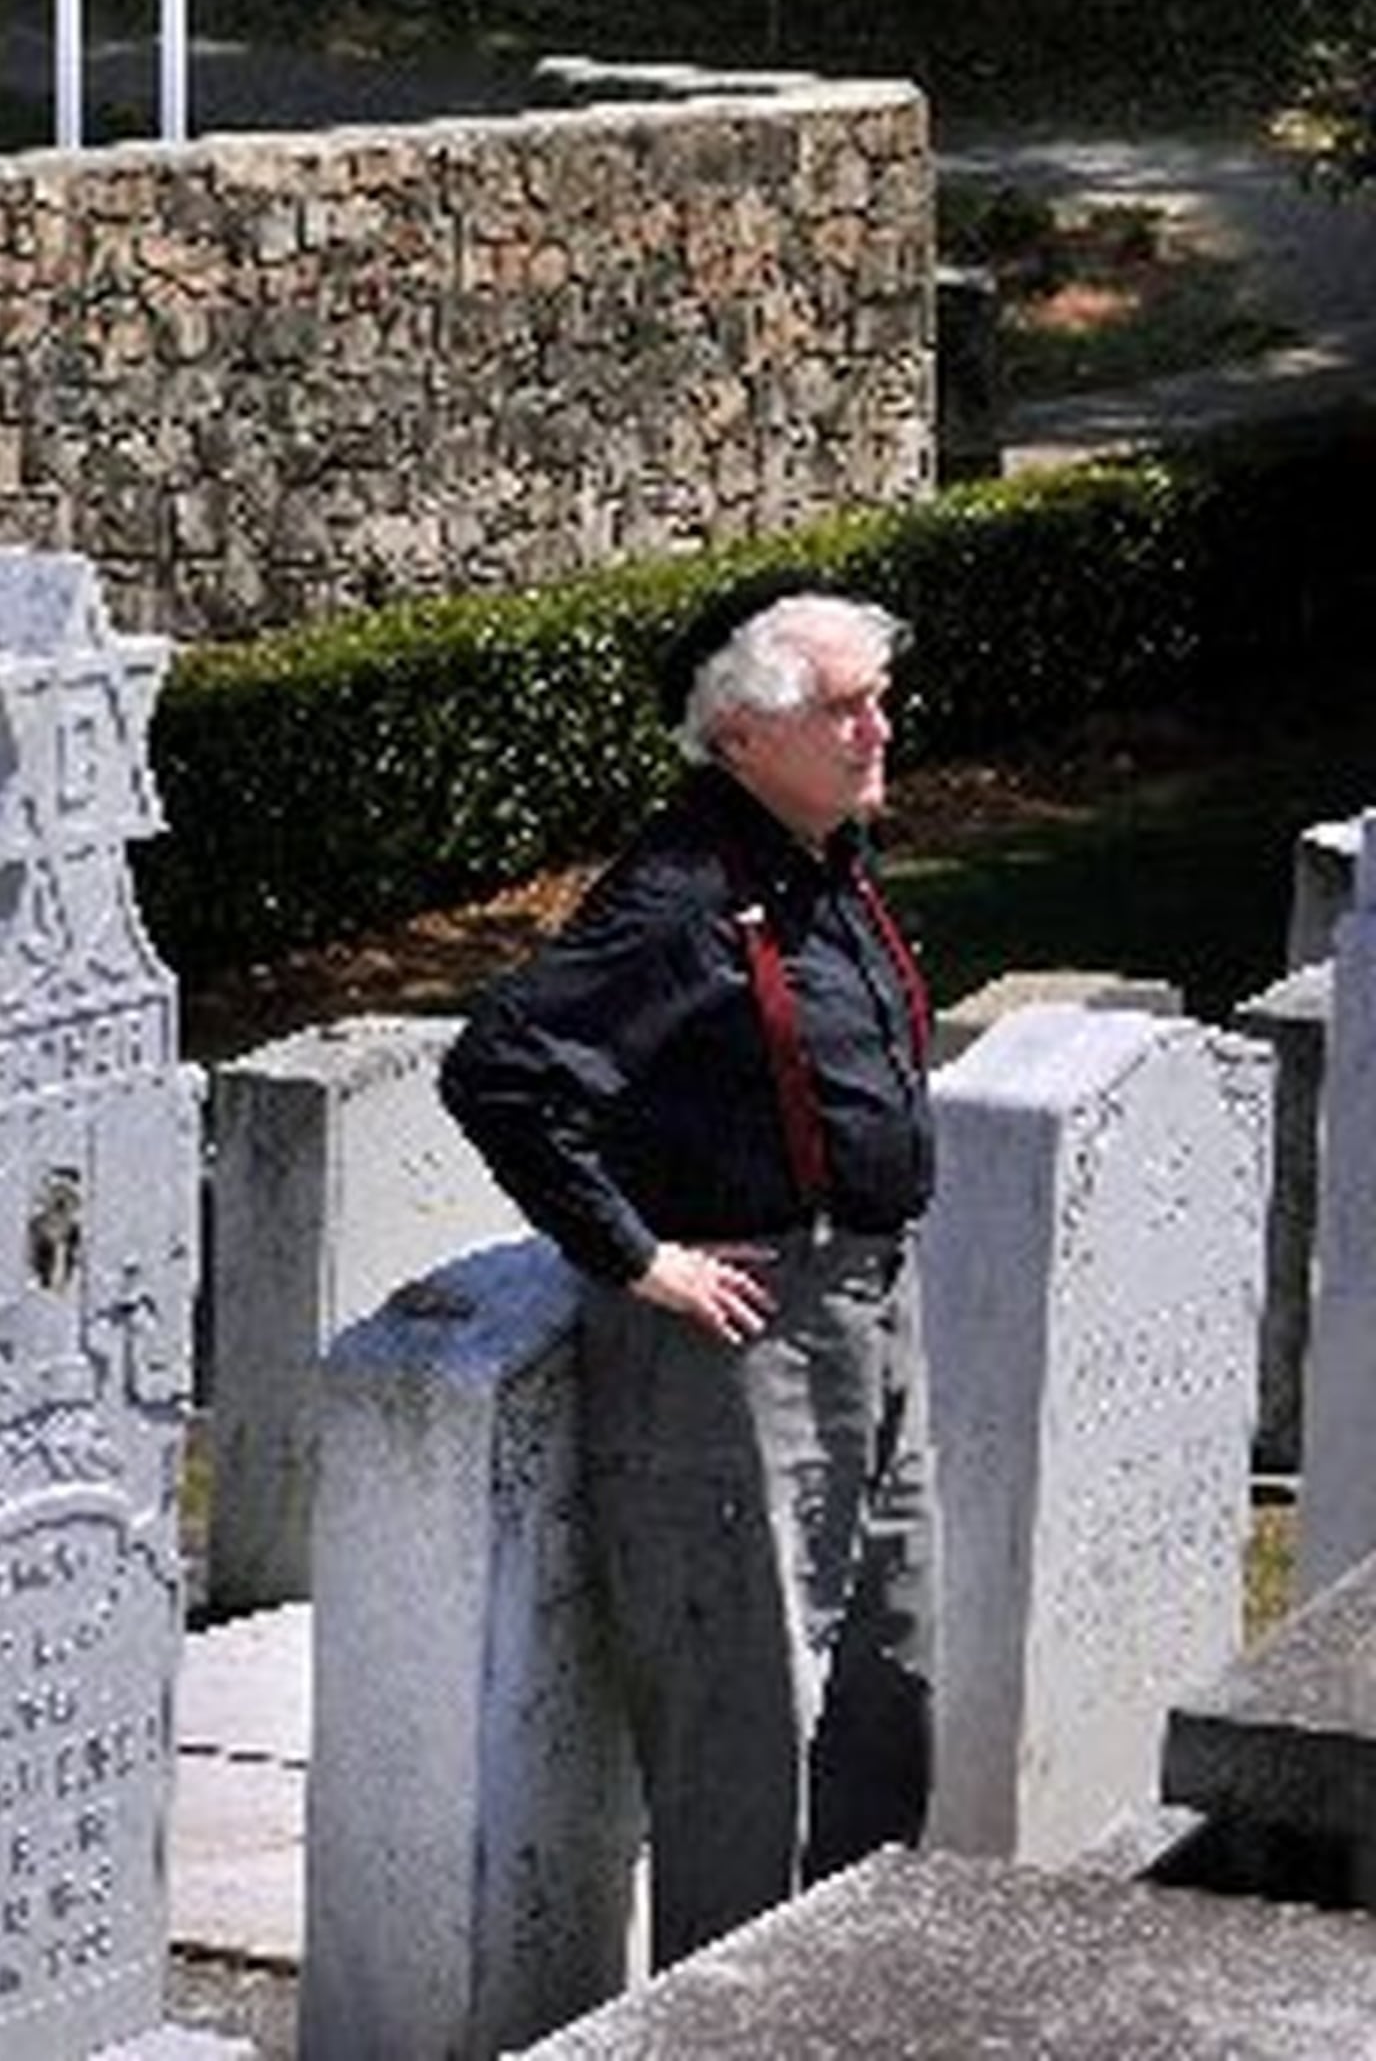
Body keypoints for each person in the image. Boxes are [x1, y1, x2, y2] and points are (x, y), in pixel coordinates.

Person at [438, 578, 936, 1967]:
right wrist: (637, 1257)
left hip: (875, 1309)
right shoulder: (681, 896)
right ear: (740, 733)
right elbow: (503, 1071)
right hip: (747, 1348)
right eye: (842, 707)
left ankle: (844, 1994)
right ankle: (727, 2018)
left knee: (890, 1683)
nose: (875, 726)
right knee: (748, 1724)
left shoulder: (825, 860)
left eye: (876, 696)